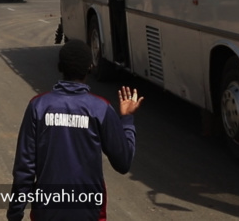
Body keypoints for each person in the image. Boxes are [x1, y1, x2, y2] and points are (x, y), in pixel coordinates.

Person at [7, 39, 143, 221]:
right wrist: (126, 119)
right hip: (89, 213)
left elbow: (24, 168)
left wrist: (15, 213)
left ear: (59, 67)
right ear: (90, 67)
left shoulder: (38, 106)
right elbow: (123, 162)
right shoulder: (100, 108)